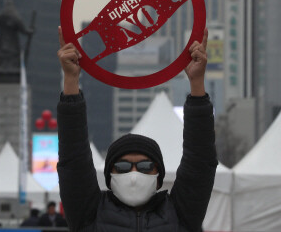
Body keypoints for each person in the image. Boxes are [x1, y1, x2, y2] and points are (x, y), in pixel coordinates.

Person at [56, 26, 217, 231]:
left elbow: (201, 160)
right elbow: (73, 158)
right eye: (122, 167)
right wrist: (70, 80)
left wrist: (197, 83)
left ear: (158, 176)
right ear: (109, 176)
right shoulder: (89, 213)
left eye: (145, 167)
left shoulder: (180, 213)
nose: (134, 174)